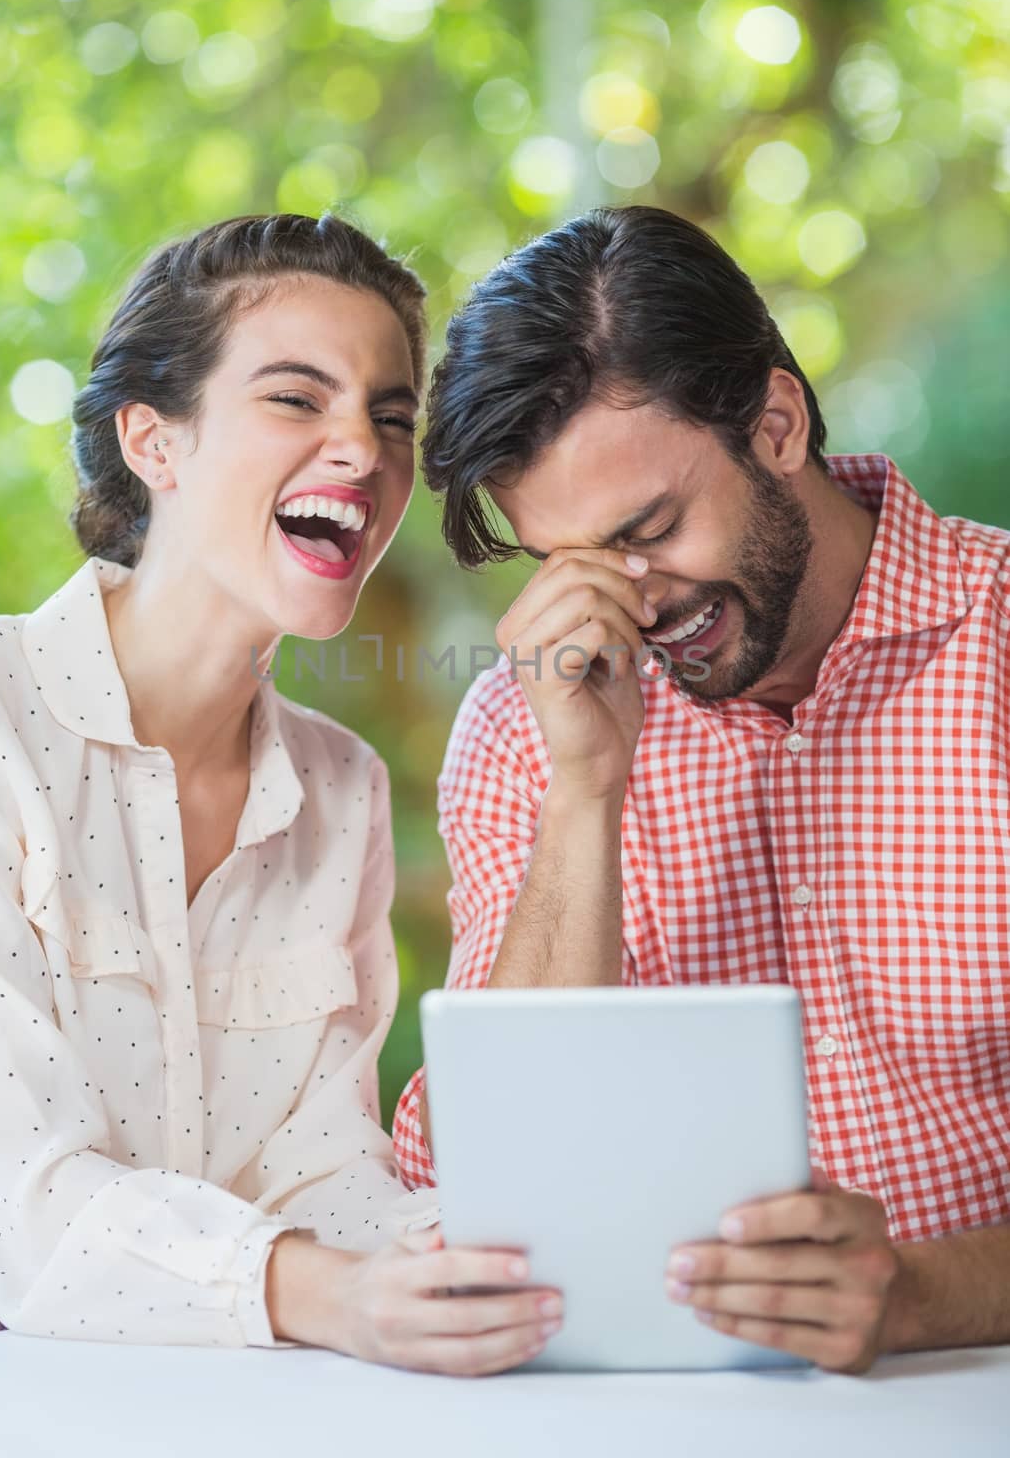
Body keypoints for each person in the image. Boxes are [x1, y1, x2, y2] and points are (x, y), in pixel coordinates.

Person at [393, 204, 1010, 1374]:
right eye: (567, 561)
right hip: (639, 1405)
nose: (630, 603)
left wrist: (920, 1294)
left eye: (650, 527)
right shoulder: (530, 726)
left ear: (774, 423)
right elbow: (471, 1177)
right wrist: (583, 791)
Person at [0, 212, 563, 1373]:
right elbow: (25, 1204)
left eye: (389, 415)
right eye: (296, 398)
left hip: (236, 1385)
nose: (364, 452)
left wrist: (485, 1264)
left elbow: (324, 1174)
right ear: (153, 442)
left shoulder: (342, 788)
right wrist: (332, 1294)